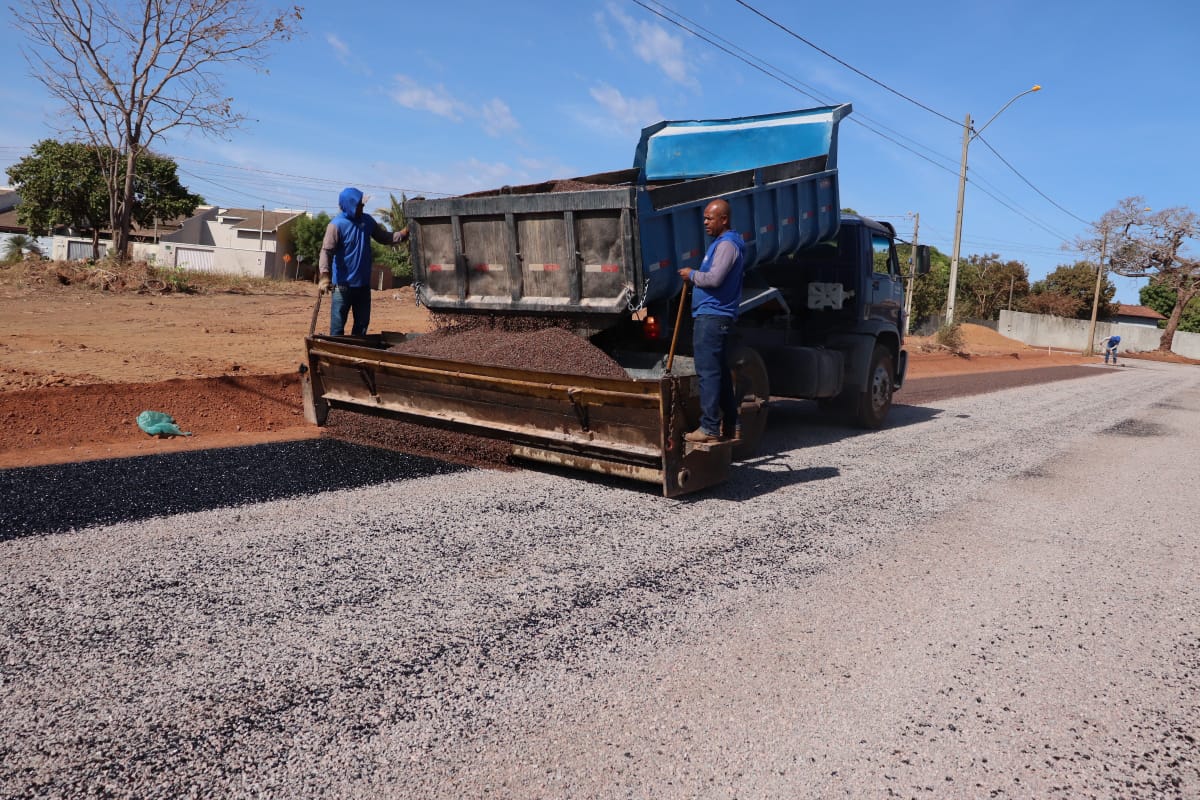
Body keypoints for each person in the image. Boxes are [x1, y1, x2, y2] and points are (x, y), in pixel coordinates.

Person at [677, 198, 745, 444]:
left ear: (723, 219)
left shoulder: (727, 245)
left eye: (709, 218)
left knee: (707, 372)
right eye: (704, 217)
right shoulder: (722, 243)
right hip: (717, 316)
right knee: (720, 373)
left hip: (713, 316)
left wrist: (691, 274)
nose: (704, 222)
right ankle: (731, 425)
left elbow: (715, 279)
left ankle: (709, 428)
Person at [318, 187, 409, 336]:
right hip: (342, 286)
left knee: (361, 327)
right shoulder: (336, 225)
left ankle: (356, 356)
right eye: (359, 204)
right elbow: (326, 251)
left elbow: (385, 237)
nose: (363, 206)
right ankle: (336, 356)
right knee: (337, 327)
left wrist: (405, 233)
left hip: (363, 286)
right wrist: (324, 275)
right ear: (350, 205)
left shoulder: (367, 221)